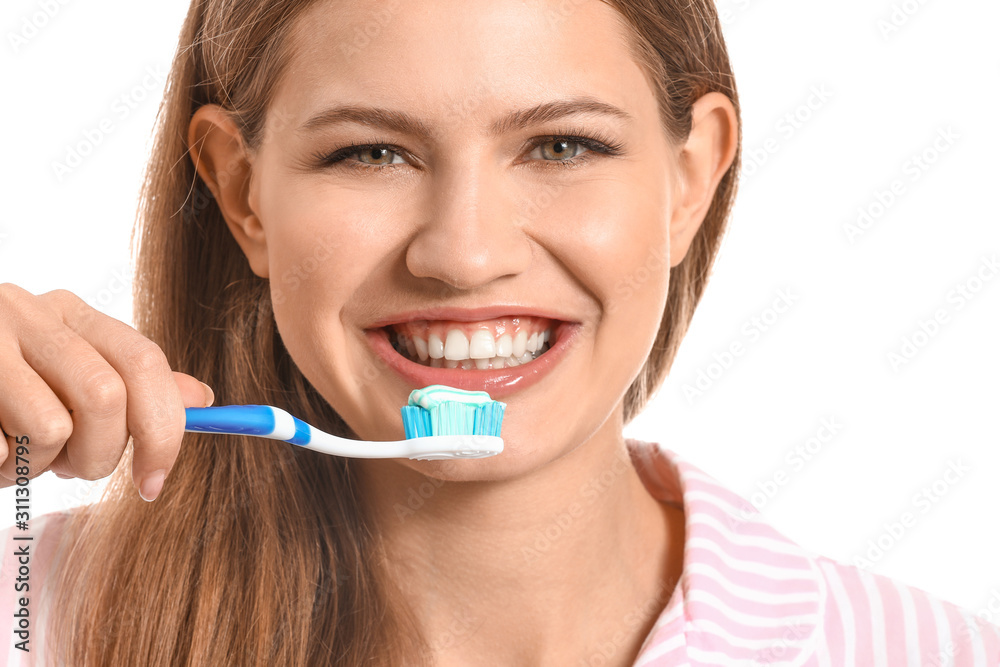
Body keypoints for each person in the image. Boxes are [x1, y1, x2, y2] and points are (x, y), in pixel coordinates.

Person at [0, 0, 997, 665]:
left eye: (562, 145)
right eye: (371, 152)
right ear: (241, 192)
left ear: (690, 179)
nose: (464, 254)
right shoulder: (30, 618)